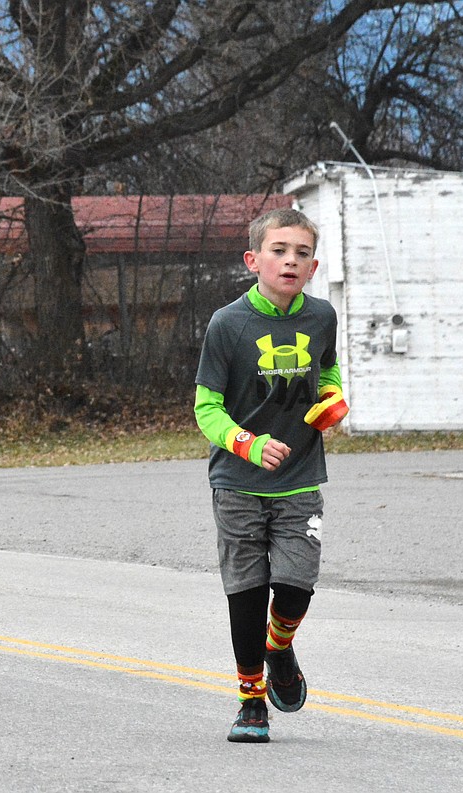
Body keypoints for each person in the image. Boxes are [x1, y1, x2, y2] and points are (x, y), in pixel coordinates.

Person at [193, 208, 349, 743]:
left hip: (301, 478)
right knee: (247, 591)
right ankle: (250, 701)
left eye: (302, 253)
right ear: (253, 259)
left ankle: (279, 646)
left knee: (295, 587)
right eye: (279, 250)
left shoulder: (322, 317)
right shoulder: (228, 324)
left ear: (313, 266)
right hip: (237, 481)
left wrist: (331, 397)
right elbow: (206, 408)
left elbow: (326, 368)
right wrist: (248, 444)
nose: (290, 260)